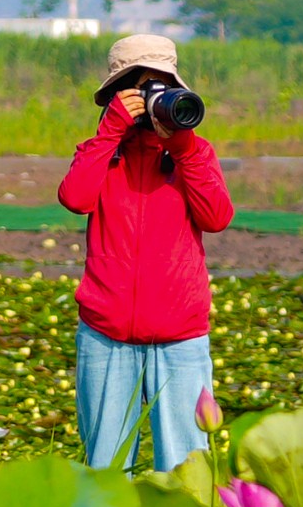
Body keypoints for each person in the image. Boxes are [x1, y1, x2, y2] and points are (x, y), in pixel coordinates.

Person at [59, 34, 233, 470]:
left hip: (181, 332)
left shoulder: (194, 153)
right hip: (106, 331)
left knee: (187, 467)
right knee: (105, 468)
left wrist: (183, 144)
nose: (155, 100)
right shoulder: (101, 152)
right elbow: (75, 198)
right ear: (118, 95)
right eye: (143, 88)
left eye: (164, 88)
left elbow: (217, 217)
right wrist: (111, 131)